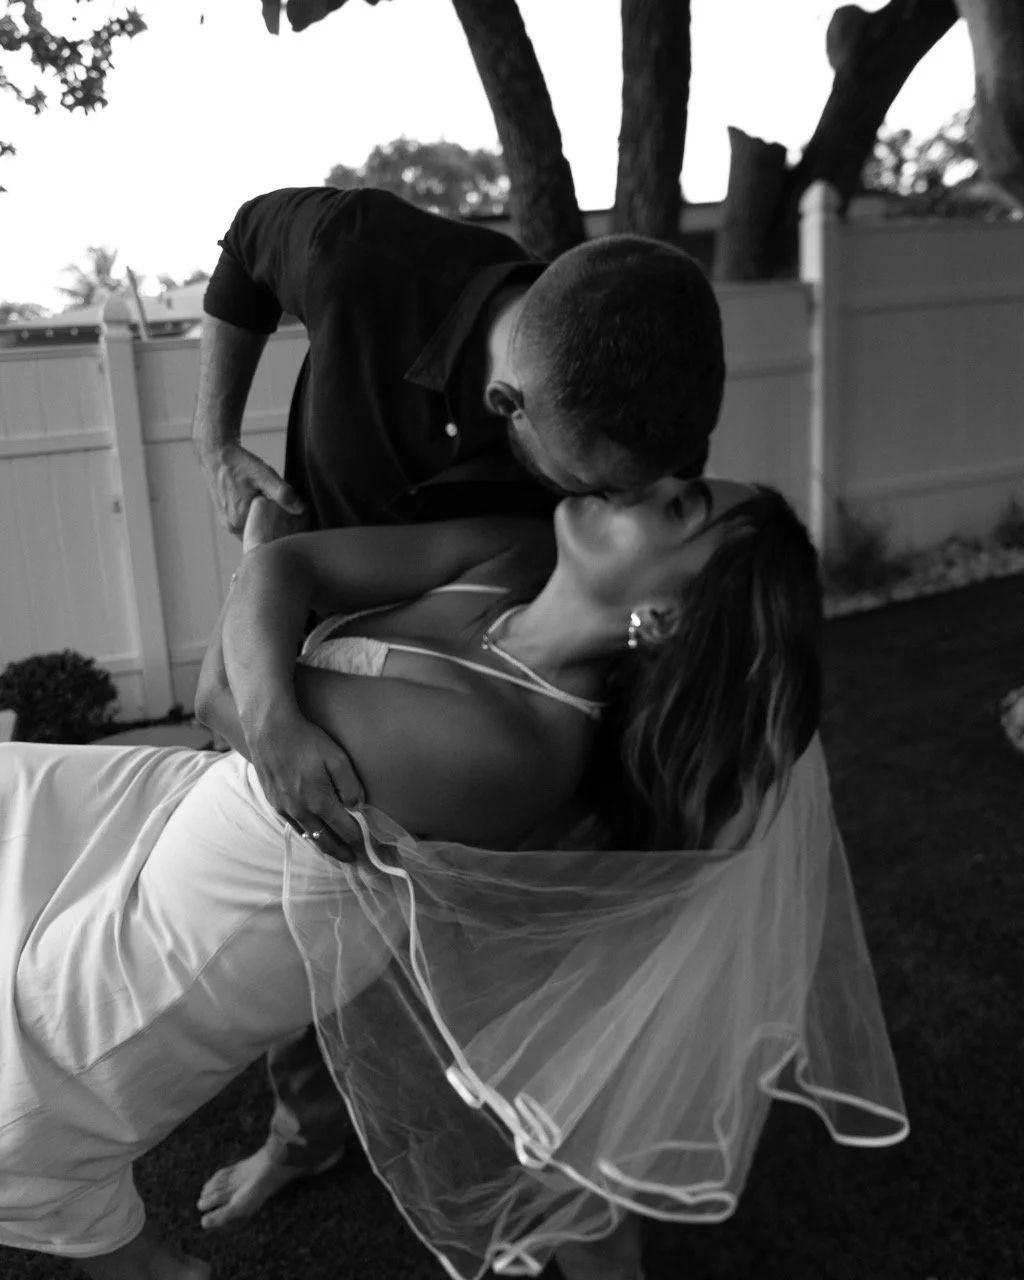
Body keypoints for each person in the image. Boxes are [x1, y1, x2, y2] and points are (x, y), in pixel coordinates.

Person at [0, 482, 908, 1280]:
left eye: (679, 507)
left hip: (212, 923)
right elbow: (280, 581)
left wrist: (258, 646)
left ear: (665, 617)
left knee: (24, 1098)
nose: (642, 485)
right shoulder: (515, 552)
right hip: (164, 807)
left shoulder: (511, 750)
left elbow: (217, 682)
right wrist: (270, 681)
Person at [191, 183, 727, 1277]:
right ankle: (305, 1124)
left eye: (649, 490)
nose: (616, 499)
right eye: (596, 484)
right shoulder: (357, 252)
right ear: (507, 405)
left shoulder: (604, 420)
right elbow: (247, 247)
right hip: (340, 608)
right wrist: (215, 442)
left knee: (491, 977)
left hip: (471, 657)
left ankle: (575, 1183)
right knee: (296, 906)